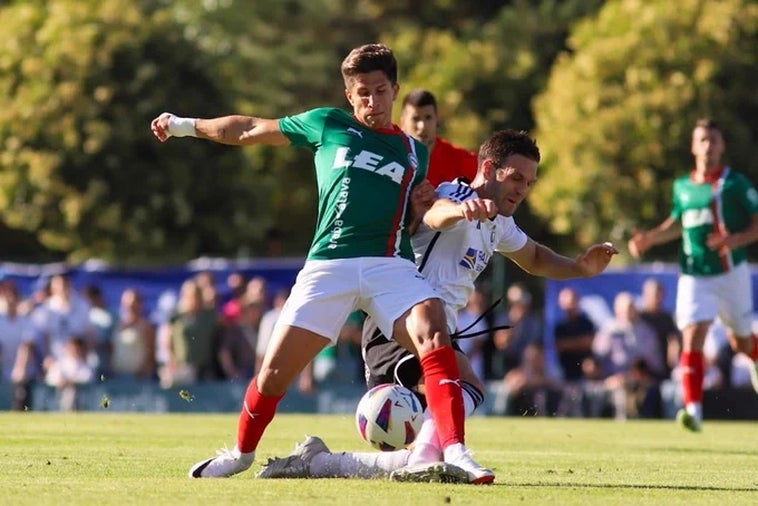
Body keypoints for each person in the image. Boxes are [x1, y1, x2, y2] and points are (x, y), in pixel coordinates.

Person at [151, 43, 485, 481]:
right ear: (349, 95)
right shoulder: (327, 124)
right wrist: (183, 126)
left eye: (380, 91)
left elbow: (418, 213)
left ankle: (455, 451)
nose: (372, 101)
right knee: (272, 375)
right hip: (330, 264)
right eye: (362, 92)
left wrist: (440, 207)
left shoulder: (413, 153)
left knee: (433, 328)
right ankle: (241, 452)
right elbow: (250, 128)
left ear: (395, 90)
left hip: (390, 264)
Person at [256, 128, 618, 482]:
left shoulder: (500, 224)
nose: (522, 189)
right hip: (398, 323)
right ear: (489, 169)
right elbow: (435, 214)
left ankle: (320, 462)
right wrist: (463, 212)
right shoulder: (454, 194)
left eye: (529, 183)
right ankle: (422, 457)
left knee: (451, 413)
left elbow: (536, 257)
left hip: (437, 333)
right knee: (468, 387)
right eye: (516, 178)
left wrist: (580, 268)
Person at [628, 118, 758, 432]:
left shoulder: (735, 184)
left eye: (713, 140)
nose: (708, 146)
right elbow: (676, 223)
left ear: (721, 146)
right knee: (692, 333)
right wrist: (648, 238)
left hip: (731, 274)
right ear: (693, 146)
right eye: (702, 140)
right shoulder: (682, 187)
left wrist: (735, 240)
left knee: (741, 343)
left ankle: (754, 357)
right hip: (694, 274)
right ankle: (694, 410)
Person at [399, 88, 477, 188]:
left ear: (437, 121)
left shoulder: (460, 160)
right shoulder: (392, 157)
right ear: (403, 123)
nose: (422, 126)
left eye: (428, 117)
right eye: (415, 118)